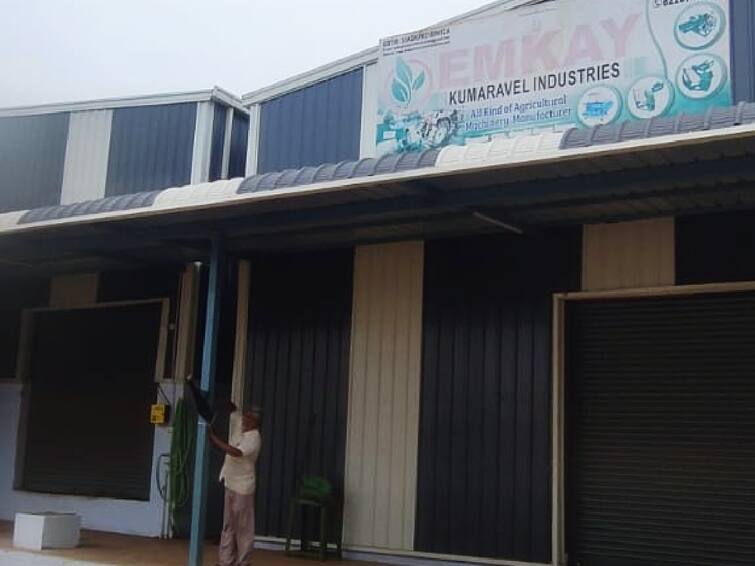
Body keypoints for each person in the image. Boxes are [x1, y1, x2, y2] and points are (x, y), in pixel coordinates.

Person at [209, 402, 262, 566]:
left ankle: (243, 562)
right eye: (245, 417)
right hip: (230, 483)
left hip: (243, 488)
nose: (245, 421)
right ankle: (225, 561)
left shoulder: (254, 438)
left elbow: (236, 452)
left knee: (243, 529)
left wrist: (214, 439)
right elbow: (234, 412)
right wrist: (229, 404)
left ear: (255, 423)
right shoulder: (241, 425)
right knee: (228, 526)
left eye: (249, 419)